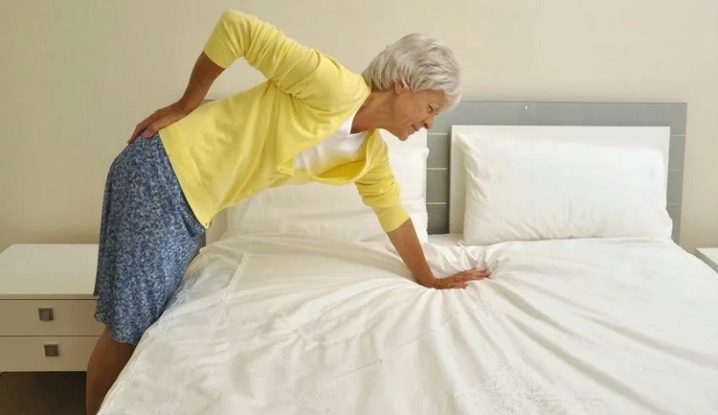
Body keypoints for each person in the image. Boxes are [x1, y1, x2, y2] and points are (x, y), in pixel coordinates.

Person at [85, 9, 491, 414]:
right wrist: (186, 104)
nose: (429, 123)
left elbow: (394, 217)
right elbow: (237, 28)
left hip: (189, 204)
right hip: (160, 173)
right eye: (430, 107)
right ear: (404, 84)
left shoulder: (370, 155)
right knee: (127, 331)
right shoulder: (333, 87)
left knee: (139, 324)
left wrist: (430, 279)